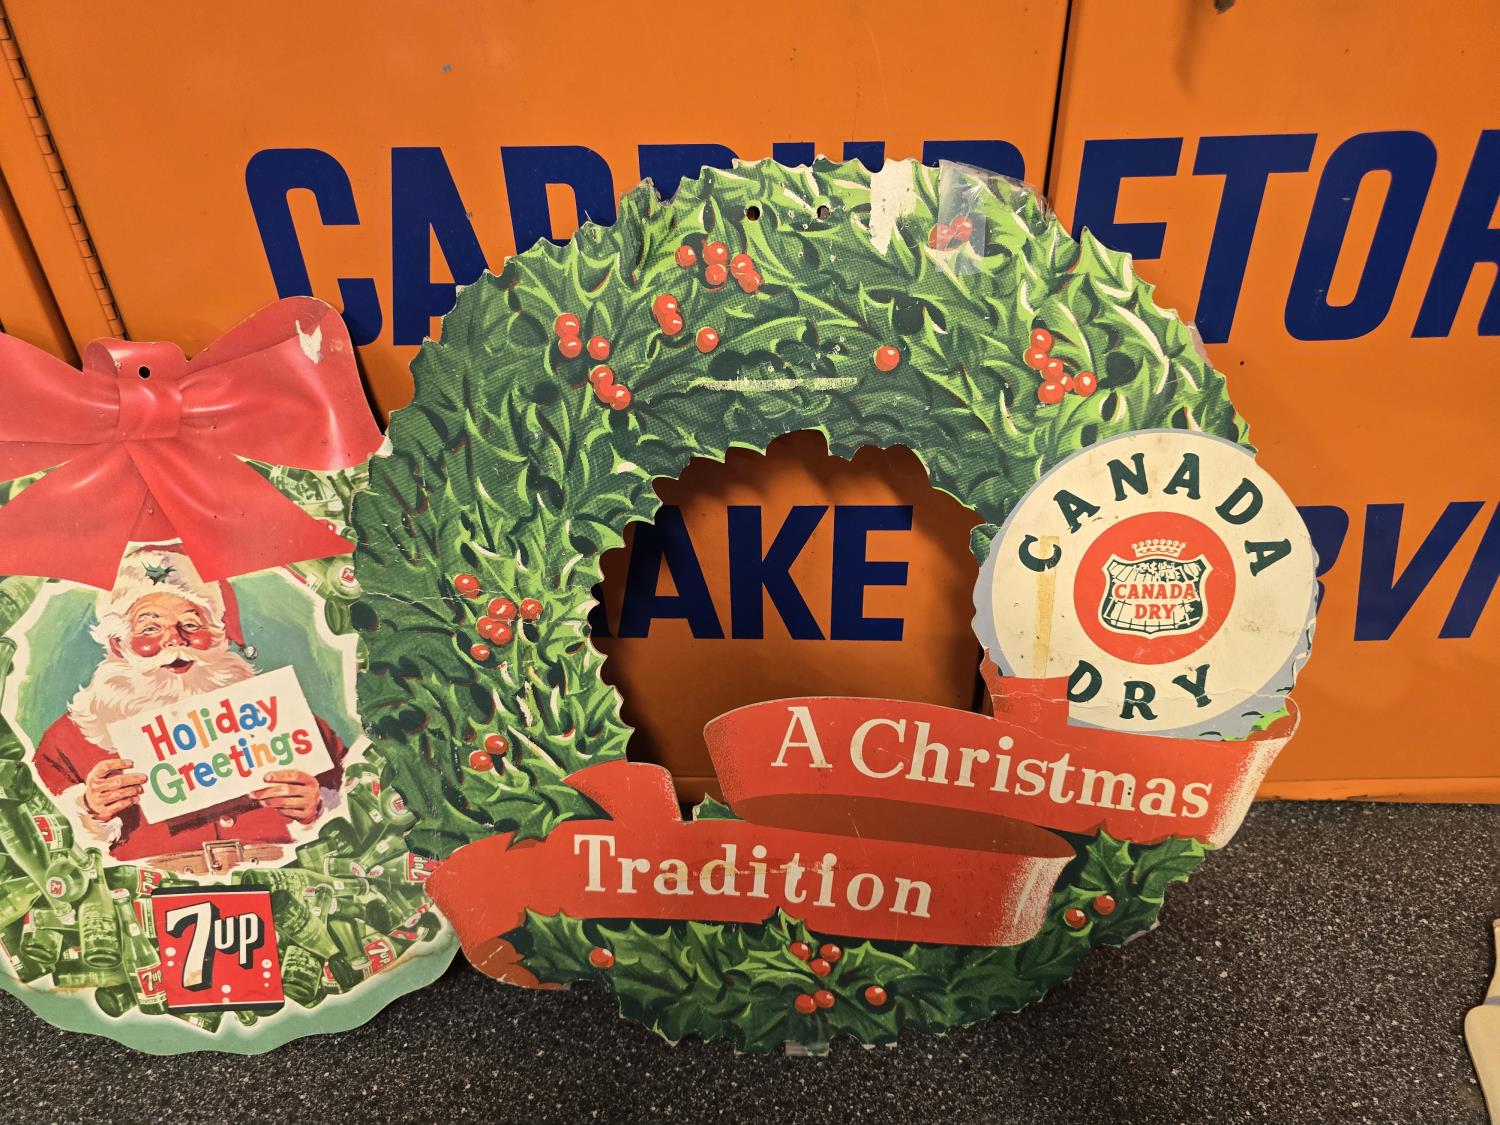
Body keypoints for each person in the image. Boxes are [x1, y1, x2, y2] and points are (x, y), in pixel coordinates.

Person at [31, 545, 347, 872]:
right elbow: (35, 843)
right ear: (118, 645)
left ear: (218, 635)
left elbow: (360, 800)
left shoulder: (281, 715)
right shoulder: (69, 739)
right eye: (150, 628)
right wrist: (87, 808)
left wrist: (319, 807)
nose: (175, 640)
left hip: (276, 876)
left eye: (192, 624)